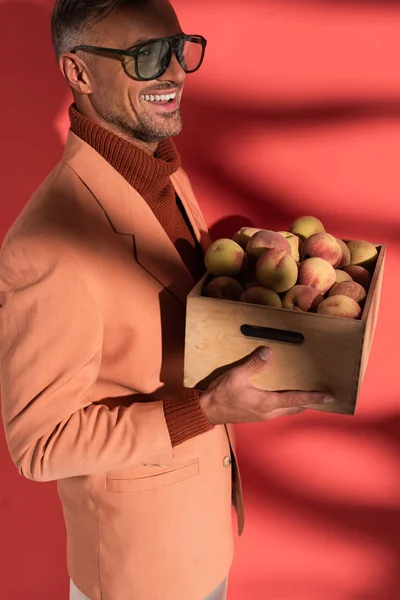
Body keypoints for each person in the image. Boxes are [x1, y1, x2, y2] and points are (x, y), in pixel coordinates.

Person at [0, 1, 334, 599]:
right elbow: (39, 446)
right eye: (146, 56)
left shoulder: (159, 170)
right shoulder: (46, 246)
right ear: (77, 72)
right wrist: (204, 410)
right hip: (139, 574)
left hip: (201, 534)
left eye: (180, 49)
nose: (175, 71)